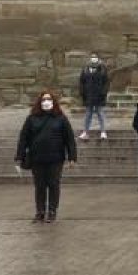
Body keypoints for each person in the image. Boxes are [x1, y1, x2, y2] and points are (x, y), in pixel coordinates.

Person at [15, 92, 78, 223]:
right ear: (40, 102)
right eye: (44, 99)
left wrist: (72, 157)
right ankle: (40, 212)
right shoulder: (32, 118)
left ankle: (52, 211)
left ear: (53, 102)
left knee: (54, 185)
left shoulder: (61, 118)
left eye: (49, 99)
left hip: (55, 158)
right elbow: (23, 138)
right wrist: (19, 156)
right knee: (40, 186)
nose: (46, 102)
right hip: (37, 158)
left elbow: (70, 139)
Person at [78, 53, 110, 139]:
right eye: (92, 57)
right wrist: (82, 92)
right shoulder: (85, 69)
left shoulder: (103, 68)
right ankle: (85, 132)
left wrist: (104, 92)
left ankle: (103, 131)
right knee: (88, 114)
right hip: (89, 95)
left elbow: (106, 82)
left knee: (100, 113)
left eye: (95, 57)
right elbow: (82, 81)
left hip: (99, 95)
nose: (94, 58)